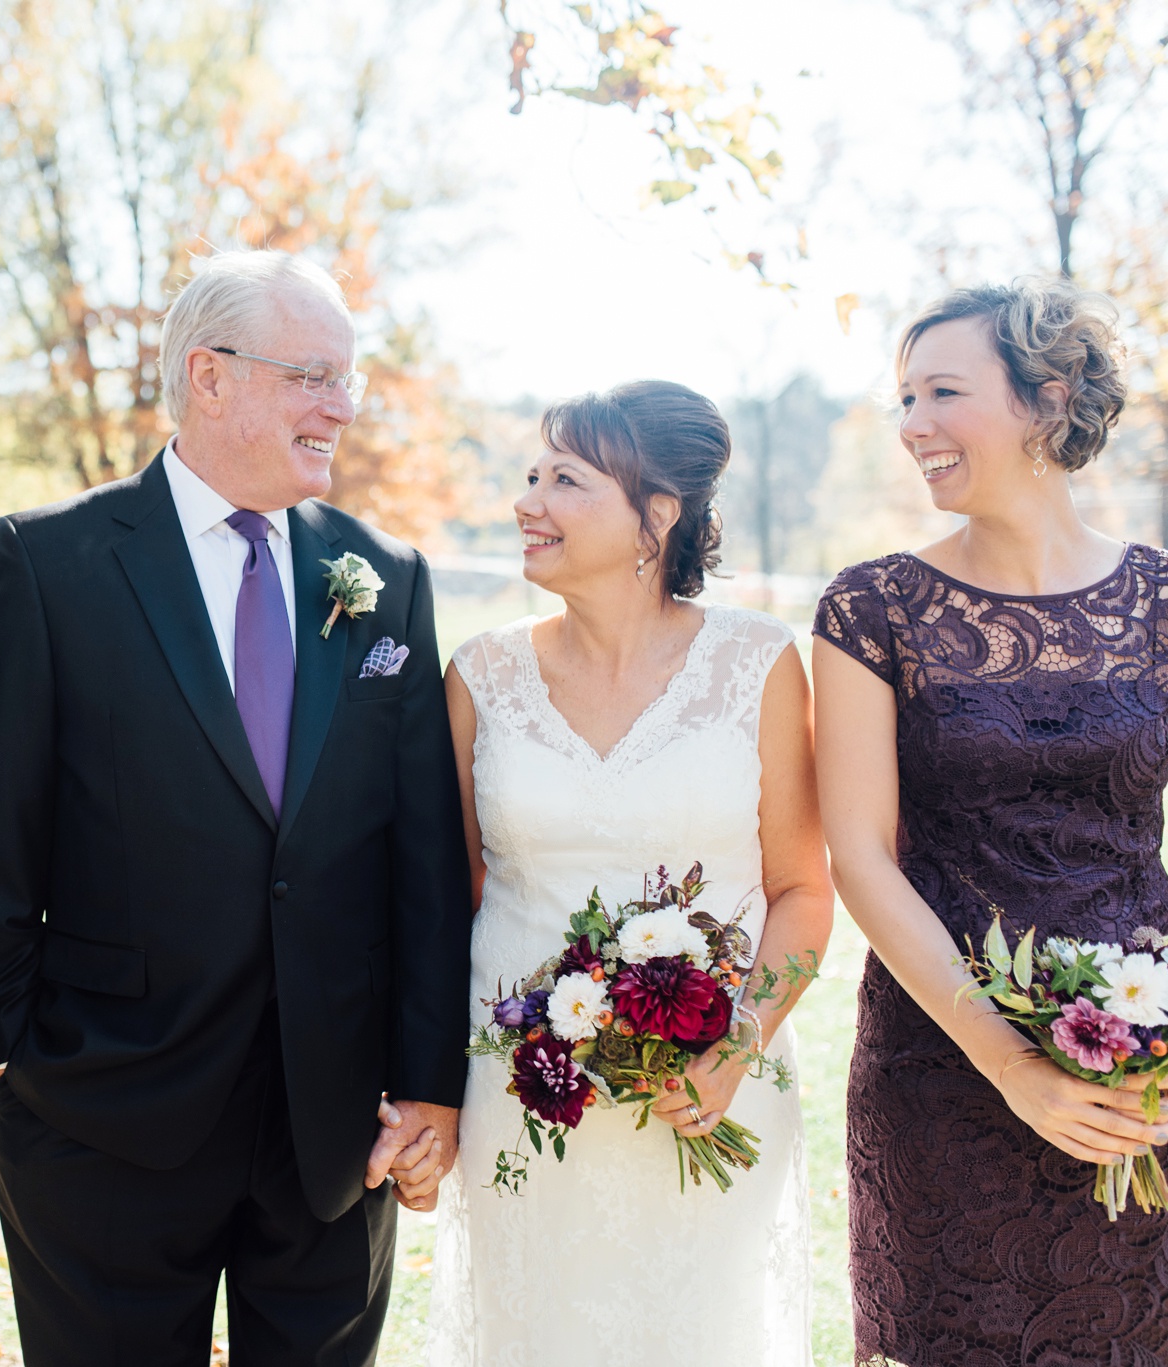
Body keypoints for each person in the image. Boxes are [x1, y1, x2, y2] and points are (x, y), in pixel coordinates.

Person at [0, 249, 474, 1366]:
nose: (340, 406)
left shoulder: (387, 577)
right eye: (312, 376)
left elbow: (422, 856)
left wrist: (427, 1080)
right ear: (210, 376)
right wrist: (19, 1043)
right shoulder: (50, 564)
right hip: (103, 1116)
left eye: (349, 380)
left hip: (335, 1134)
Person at [427, 381, 831, 1365]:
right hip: (528, 1093)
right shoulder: (480, 672)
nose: (526, 501)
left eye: (562, 478)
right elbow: (447, 894)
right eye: (529, 475)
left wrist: (734, 1042)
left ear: (655, 513)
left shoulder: (757, 661)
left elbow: (799, 887)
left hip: (709, 1093)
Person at [813, 279, 1168, 1364]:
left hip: (1142, 1072)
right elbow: (861, 857)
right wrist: (1009, 1061)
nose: (910, 424)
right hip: (942, 1070)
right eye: (902, 398)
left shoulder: (1157, 598)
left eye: (940, 392)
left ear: (1043, 403)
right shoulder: (870, 609)